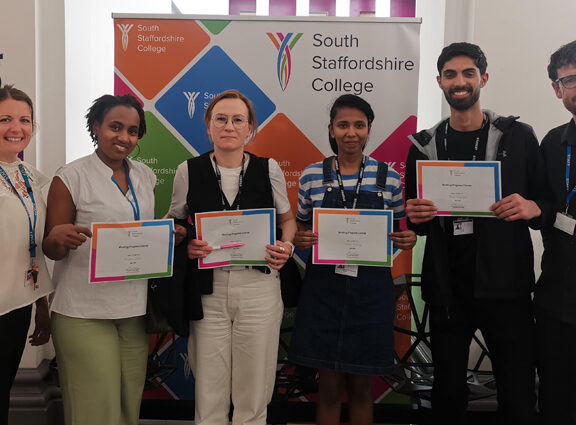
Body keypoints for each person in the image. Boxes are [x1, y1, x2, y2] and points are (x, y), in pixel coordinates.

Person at [405, 42, 544, 425]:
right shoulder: (423, 146)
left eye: (468, 73)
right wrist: (413, 215)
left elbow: (543, 205)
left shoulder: (519, 137)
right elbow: (412, 221)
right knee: (447, 391)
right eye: (450, 74)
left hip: (506, 286)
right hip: (448, 288)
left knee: (517, 392)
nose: (459, 81)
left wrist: (533, 208)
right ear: (439, 82)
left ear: (483, 78)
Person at [167, 89, 296, 425]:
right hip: (207, 290)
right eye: (220, 119)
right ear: (208, 126)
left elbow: (288, 221)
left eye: (238, 119)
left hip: (259, 287)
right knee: (209, 387)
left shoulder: (269, 169)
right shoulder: (188, 170)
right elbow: (175, 223)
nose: (229, 126)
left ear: (250, 128)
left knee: (254, 389)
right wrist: (186, 241)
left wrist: (287, 247)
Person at [288, 94, 416, 425]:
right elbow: (301, 223)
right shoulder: (312, 175)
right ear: (331, 130)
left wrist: (407, 238)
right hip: (323, 294)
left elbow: (399, 231)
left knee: (362, 388)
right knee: (328, 387)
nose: (351, 132)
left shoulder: (389, 177)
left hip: (370, 296)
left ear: (369, 129)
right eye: (343, 125)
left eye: (359, 125)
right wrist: (301, 236)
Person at [42, 94, 156, 425]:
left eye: (132, 131)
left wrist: (165, 237)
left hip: (134, 310)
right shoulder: (71, 176)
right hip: (83, 311)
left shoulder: (145, 176)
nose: (124, 138)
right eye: (115, 127)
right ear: (96, 127)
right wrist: (57, 237)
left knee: (125, 408)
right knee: (94, 410)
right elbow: (52, 248)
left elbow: (141, 233)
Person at [0, 85, 52, 425]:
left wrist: (42, 307)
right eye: (4, 119)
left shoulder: (33, 177)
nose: (16, 128)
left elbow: (32, 244)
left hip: (16, 306)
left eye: (24, 120)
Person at [536, 40, 576, 425]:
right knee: (556, 400)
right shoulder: (552, 144)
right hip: (558, 300)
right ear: (557, 89)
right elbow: (544, 208)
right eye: (572, 79)